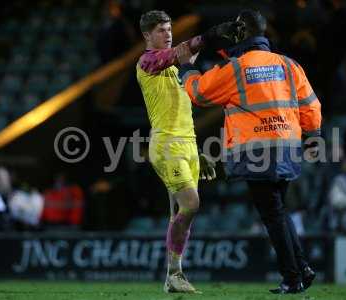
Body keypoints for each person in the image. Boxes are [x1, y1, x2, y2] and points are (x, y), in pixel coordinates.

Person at [177, 9, 321, 294]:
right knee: (279, 210)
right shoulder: (288, 64)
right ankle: (302, 268)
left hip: (256, 150)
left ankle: (292, 277)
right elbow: (311, 106)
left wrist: (186, 69)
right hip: (288, 146)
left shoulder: (237, 68)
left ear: (241, 32)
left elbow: (200, 93)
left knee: (272, 214)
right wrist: (313, 133)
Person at [136, 10, 216, 293]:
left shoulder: (175, 66)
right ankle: (174, 275)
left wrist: (199, 150)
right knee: (191, 204)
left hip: (188, 144)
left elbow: (188, 55)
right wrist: (206, 36)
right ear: (147, 35)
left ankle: (174, 276)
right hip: (166, 145)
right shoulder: (147, 62)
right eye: (160, 30)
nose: (167, 34)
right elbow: (181, 52)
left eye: (169, 29)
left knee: (180, 212)